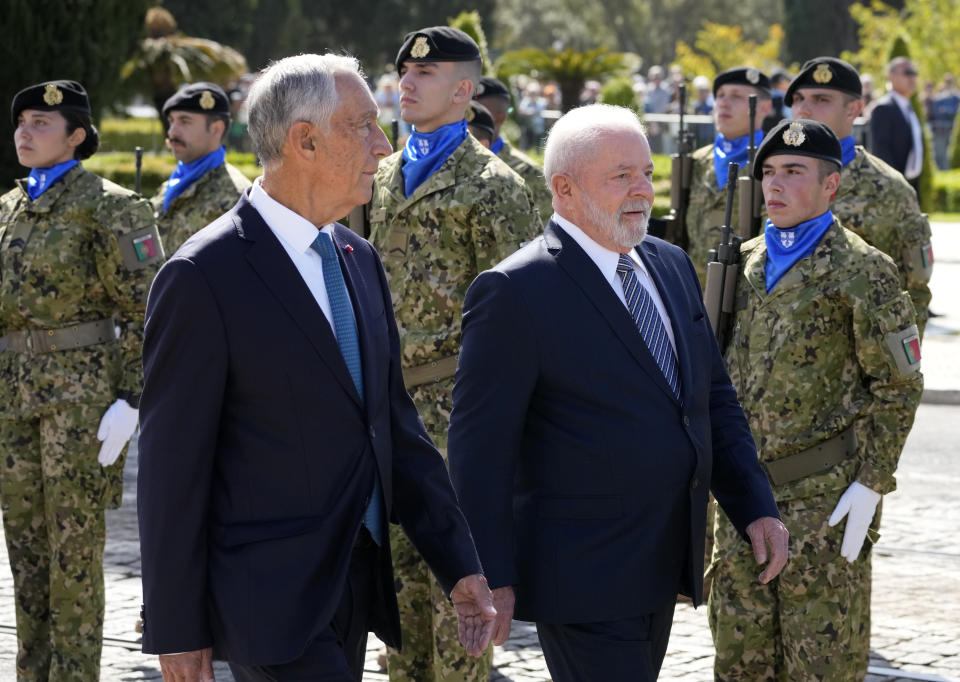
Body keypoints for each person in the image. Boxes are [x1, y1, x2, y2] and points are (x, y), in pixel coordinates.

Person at [136, 53, 496, 682]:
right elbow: (172, 469)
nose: (383, 146)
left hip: (356, 580)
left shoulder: (358, 259)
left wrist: (458, 563)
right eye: (363, 126)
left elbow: (392, 427)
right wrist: (175, 624)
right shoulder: (202, 276)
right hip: (266, 598)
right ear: (304, 140)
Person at [448, 103, 788, 682]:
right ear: (564, 188)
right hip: (581, 573)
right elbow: (480, 451)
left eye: (647, 174)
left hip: (663, 558)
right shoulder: (514, 291)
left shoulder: (670, 263)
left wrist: (754, 505)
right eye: (620, 176)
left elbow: (712, 398)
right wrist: (491, 575)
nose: (641, 191)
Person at [709, 118, 923, 681]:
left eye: (794, 172)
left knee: (822, 664)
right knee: (739, 662)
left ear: (832, 185)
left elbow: (899, 386)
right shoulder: (742, 263)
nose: (775, 185)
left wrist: (872, 482)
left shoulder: (864, 270)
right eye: (770, 172)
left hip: (822, 499)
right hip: (741, 498)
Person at [368, 26, 540, 682]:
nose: (407, 83)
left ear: (464, 90)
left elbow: (522, 322)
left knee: (459, 614)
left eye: (427, 74)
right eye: (404, 72)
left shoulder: (494, 185)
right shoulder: (381, 175)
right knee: (400, 612)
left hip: (459, 414)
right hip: (388, 409)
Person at [0, 79, 164, 681]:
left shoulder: (113, 206)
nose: (24, 131)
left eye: (41, 122)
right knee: (27, 557)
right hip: (13, 400)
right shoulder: (8, 209)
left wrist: (131, 399)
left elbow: (149, 311)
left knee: (72, 560)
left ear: (77, 135)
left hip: (81, 404)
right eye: (21, 121)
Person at [786, 57, 933, 336]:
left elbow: (915, 295)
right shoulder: (767, 180)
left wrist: (892, 375)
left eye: (821, 99)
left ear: (853, 109)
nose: (804, 108)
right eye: (797, 98)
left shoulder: (891, 190)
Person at [685, 66, 772, 285]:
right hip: (693, 289)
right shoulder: (696, 161)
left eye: (736, 96)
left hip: (745, 292)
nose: (723, 103)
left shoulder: (774, 163)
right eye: (720, 95)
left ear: (764, 107)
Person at [151, 82, 251, 254]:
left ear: (216, 129)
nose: (172, 132)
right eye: (171, 121)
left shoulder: (236, 197)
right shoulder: (170, 186)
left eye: (184, 121)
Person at [474, 75, 554, 219]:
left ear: (500, 117)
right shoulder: (444, 163)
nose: (466, 118)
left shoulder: (527, 173)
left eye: (477, 112)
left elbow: (545, 233)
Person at [870, 57, 924, 193]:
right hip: (894, 186)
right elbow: (881, 151)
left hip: (910, 181)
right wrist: (895, 183)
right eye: (907, 73)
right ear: (891, 77)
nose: (912, 77)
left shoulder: (908, 106)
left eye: (914, 73)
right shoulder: (884, 107)